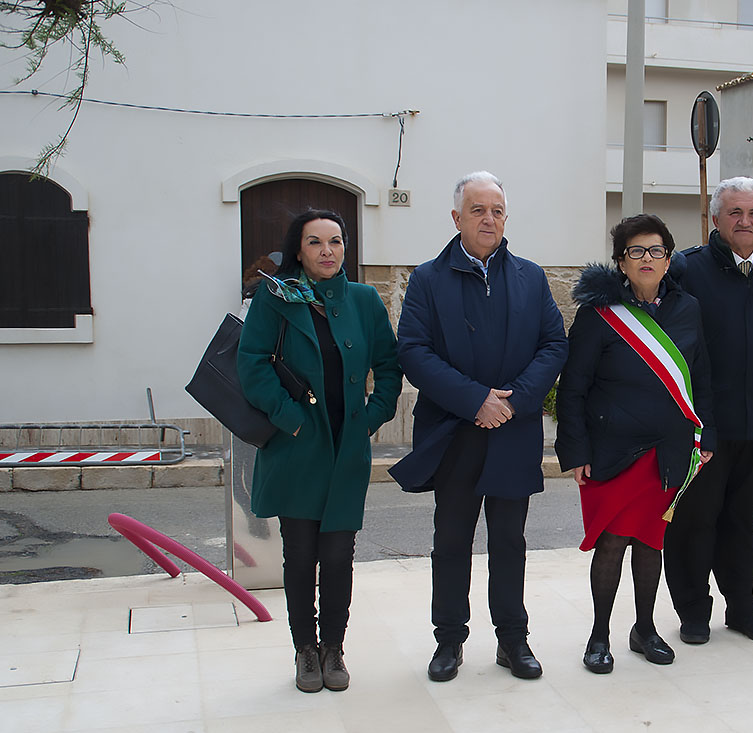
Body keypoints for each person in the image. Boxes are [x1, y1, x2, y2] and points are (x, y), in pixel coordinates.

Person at [390, 171, 567, 682]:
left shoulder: (531, 277)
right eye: (477, 210)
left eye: (496, 210)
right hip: (455, 431)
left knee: (510, 542)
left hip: (512, 430)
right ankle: (449, 640)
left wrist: (513, 402)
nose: (488, 218)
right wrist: (475, 401)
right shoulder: (427, 279)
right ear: (456, 218)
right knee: (451, 541)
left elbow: (554, 345)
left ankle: (513, 639)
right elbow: (413, 351)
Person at [238, 209, 404, 693]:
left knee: (338, 556)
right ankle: (304, 651)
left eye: (335, 241)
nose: (328, 251)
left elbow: (389, 366)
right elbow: (251, 365)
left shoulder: (364, 299)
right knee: (300, 556)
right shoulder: (277, 299)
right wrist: (288, 419)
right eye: (316, 242)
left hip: (346, 450)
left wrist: (372, 417)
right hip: (296, 450)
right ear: (299, 250)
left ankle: (334, 648)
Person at [555, 214, 715, 674]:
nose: (647, 259)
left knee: (650, 543)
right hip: (612, 452)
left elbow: (702, 380)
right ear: (620, 261)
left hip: (668, 451)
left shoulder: (688, 309)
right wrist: (576, 451)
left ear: (669, 258)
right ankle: (599, 634)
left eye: (656, 251)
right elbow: (574, 387)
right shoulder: (598, 314)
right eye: (636, 251)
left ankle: (644, 629)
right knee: (612, 542)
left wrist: (708, 436)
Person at [663, 176, 753, 645]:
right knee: (695, 521)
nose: (745, 222)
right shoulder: (686, 269)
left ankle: (741, 606)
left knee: (743, 521)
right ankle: (693, 611)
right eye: (735, 213)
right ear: (716, 218)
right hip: (702, 424)